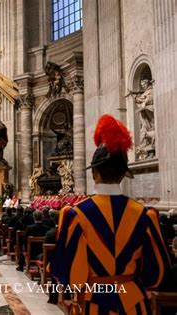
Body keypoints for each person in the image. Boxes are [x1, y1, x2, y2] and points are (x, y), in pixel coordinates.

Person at [51, 115, 170, 314]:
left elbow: (71, 274)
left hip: (92, 303)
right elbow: (156, 274)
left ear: (94, 173)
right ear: (124, 175)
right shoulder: (145, 215)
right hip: (133, 304)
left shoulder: (76, 215)